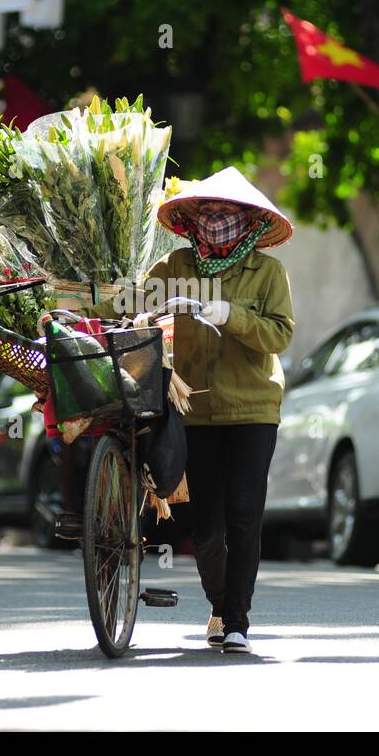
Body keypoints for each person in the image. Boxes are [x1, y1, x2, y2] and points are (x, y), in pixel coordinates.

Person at [82, 166, 295, 654]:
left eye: (226, 213)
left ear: (248, 220)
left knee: (244, 513)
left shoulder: (267, 273)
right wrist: (86, 302)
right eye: (208, 212)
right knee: (205, 525)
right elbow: (132, 302)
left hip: (253, 408)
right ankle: (220, 605)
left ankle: (237, 621)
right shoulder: (177, 266)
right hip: (195, 410)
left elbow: (280, 333)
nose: (216, 220)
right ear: (194, 220)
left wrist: (232, 315)